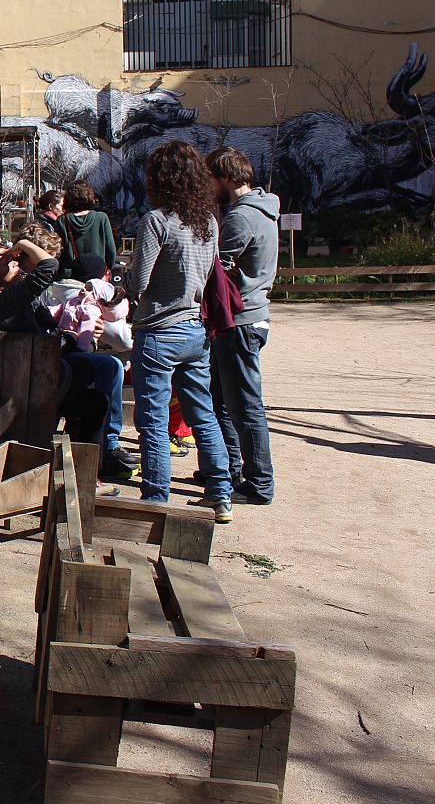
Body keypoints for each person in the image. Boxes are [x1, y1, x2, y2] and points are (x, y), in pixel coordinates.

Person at [0, 238, 132, 477]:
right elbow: (49, 266)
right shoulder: (8, 302)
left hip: (16, 385)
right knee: (103, 373)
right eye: (5, 257)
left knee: (93, 400)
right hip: (36, 387)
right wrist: (22, 243)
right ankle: (93, 467)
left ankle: (86, 465)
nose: (13, 259)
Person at [125, 141, 234, 522]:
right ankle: (220, 494)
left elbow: (139, 281)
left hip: (158, 331)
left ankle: (156, 499)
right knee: (203, 413)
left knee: (153, 421)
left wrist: (123, 278)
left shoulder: (156, 221)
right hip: (195, 331)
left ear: (159, 179)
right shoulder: (208, 222)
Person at [205, 146, 280, 505]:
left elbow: (216, 270)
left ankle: (259, 483)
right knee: (223, 401)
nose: (209, 187)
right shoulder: (261, 210)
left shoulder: (241, 218)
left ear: (226, 178)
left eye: (211, 179)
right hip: (245, 318)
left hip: (240, 321)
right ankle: (230, 469)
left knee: (245, 407)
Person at [57, 180, 117, 280]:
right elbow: (111, 251)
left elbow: (59, 253)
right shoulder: (101, 218)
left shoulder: (62, 220)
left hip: (71, 276)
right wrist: (107, 270)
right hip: (98, 275)